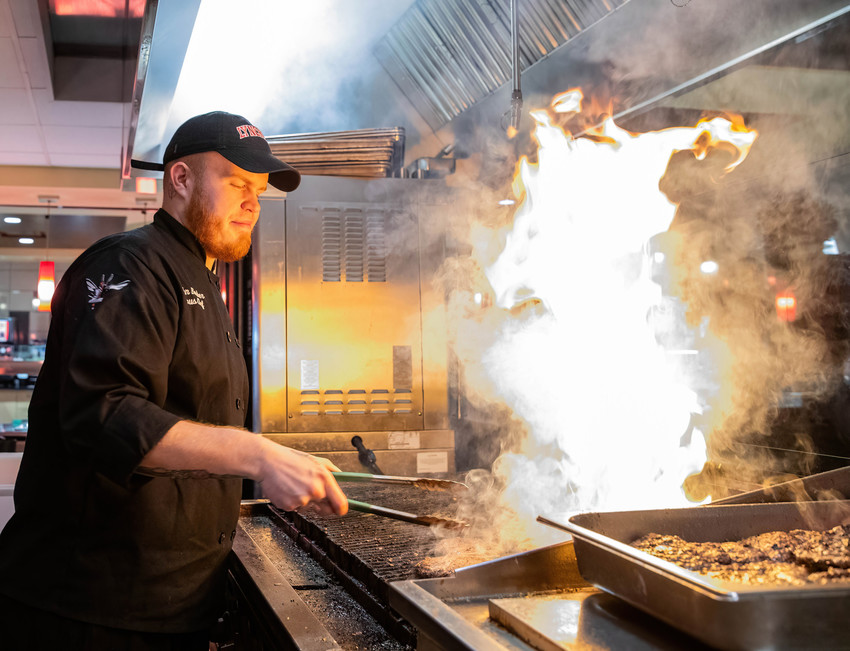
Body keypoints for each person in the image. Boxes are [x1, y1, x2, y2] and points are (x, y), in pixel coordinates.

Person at [0, 111, 348, 650]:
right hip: (89, 608)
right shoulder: (129, 266)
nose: (253, 203)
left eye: (258, 190)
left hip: (170, 604)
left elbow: (190, 425)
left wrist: (280, 461)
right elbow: (105, 415)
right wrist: (257, 455)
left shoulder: (204, 282)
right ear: (180, 180)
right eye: (236, 184)